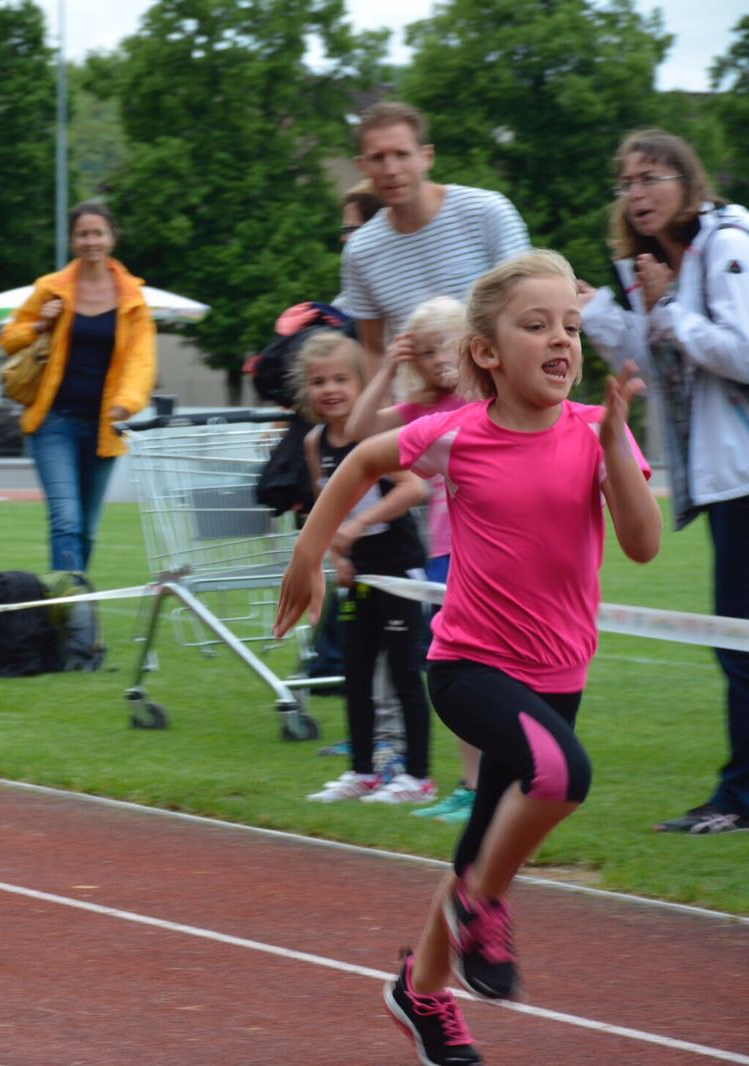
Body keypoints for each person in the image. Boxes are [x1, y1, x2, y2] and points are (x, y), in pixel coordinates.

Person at [275, 250, 660, 1065]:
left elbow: (642, 543)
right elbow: (364, 459)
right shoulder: (458, 434)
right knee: (562, 777)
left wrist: (616, 448)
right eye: (537, 325)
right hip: (469, 667)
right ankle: (478, 906)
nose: (561, 340)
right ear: (486, 352)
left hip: (560, 677)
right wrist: (309, 551)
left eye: (571, 326)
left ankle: (421, 992)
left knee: (485, 847)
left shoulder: (596, 430)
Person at [581, 128, 749, 835]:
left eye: (651, 178)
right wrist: (595, 311)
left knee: (737, 641)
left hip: (742, 476)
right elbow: (656, 367)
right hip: (722, 479)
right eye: (627, 183)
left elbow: (742, 352)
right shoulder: (659, 265)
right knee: (734, 639)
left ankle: (739, 798)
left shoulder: (728, 243)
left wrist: (672, 309)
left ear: (687, 181)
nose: (637, 193)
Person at [345, 294, 480, 823]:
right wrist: (388, 367)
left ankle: (495, 783)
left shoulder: (486, 399)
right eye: (424, 352)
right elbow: (357, 430)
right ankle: (472, 785)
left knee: (488, 671)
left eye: (445, 346)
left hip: (489, 552)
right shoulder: (420, 411)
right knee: (455, 672)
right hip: (445, 557)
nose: (437, 360)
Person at [293, 331, 433, 805]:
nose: (330, 390)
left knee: (403, 673)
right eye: (318, 382)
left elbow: (414, 488)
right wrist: (337, 554)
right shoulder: (315, 442)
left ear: (360, 384)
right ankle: (362, 771)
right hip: (357, 574)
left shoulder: (374, 439)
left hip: (398, 569)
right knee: (355, 675)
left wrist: (360, 525)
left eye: (340, 380)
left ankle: (418, 776)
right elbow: (326, 504)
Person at [0, 201, 157, 573]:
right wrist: (40, 324)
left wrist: (126, 402)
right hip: (54, 422)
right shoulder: (51, 288)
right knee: (66, 520)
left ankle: (74, 598)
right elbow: (8, 338)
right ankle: (71, 602)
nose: (91, 241)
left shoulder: (132, 298)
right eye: (83, 234)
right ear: (73, 240)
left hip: (105, 425)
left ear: (112, 238)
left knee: (87, 528)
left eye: (98, 233)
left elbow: (141, 360)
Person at [339, 101, 531, 374]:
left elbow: (529, 313)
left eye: (402, 154)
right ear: (362, 165)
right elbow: (374, 350)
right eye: (378, 158)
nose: (391, 169)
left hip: (497, 385)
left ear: (426, 157)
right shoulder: (361, 251)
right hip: (419, 397)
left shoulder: (486, 212)